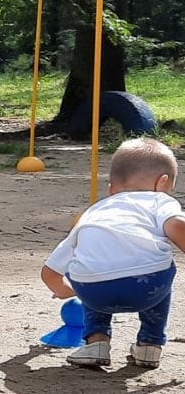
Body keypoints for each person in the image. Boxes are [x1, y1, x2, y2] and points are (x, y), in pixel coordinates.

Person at [42, 137, 185, 370]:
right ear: (163, 183)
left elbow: (50, 271)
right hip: (147, 288)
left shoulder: (94, 212)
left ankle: (96, 343)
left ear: (111, 189)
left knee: (89, 266)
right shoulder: (160, 201)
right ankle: (150, 344)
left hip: (93, 291)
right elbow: (177, 225)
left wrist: (64, 289)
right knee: (160, 265)